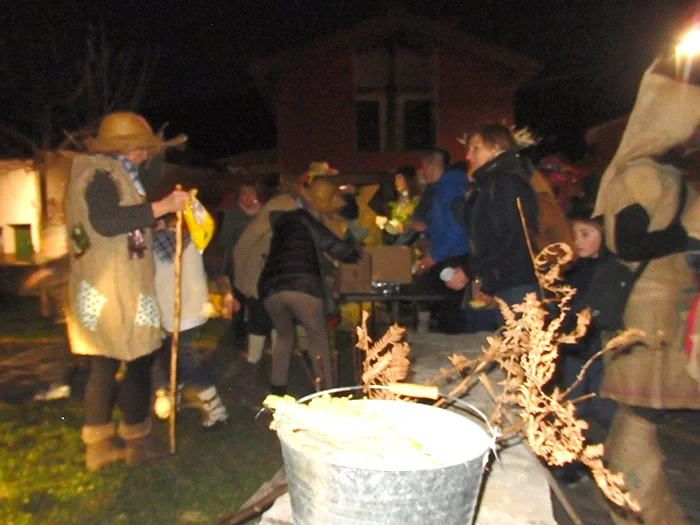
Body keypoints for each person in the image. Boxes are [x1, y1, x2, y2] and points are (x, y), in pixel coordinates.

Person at [592, 59, 700, 525]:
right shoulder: (638, 175)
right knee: (640, 413)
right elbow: (631, 244)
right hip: (648, 311)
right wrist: (685, 235)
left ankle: (630, 502)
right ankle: (643, 508)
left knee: (638, 414)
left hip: (666, 308)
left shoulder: (666, 177)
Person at [64, 111, 189, 471]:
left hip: (111, 286)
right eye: (138, 148)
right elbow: (106, 222)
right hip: (115, 289)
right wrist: (162, 207)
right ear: (117, 147)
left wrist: (150, 223)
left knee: (108, 364)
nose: (143, 154)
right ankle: (130, 444)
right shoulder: (101, 174)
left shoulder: (110, 172)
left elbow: (121, 222)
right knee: (133, 361)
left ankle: (105, 446)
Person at [258, 179, 361, 394]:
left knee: (284, 337)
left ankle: (277, 390)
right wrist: (355, 254)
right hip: (302, 286)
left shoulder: (281, 225)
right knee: (317, 337)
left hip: (270, 288)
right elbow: (334, 246)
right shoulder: (306, 220)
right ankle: (326, 391)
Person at [445, 124, 539, 323]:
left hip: (519, 285)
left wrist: (469, 270)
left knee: (520, 340)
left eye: (475, 148)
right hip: (510, 283)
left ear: (496, 147)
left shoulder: (506, 183)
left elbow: (512, 238)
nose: (468, 156)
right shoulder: (491, 183)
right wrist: (490, 285)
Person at [152, 214, 238, 430]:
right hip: (194, 311)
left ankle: (217, 411)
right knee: (177, 359)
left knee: (187, 361)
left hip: (174, 313)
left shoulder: (155, 243)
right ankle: (173, 401)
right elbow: (214, 270)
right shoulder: (193, 241)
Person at [552, 210, 617, 484]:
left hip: (598, 350)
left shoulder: (611, 269)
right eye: (574, 234)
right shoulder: (574, 270)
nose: (577, 241)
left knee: (604, 407)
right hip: (574, 350)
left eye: (586, 234)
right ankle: (568, 462)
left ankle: (607, 458)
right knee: (572, 406)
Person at [411, 149, 471, 333]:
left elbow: (457, 227)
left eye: (424, 168)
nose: (422, 173)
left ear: (432, 166)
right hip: (451, 255)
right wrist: (427, 228)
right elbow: (446, 224)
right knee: (446, 309)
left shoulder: (448, 189)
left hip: (453, 257)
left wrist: (435, 256)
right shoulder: (446, 187)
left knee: (449, 311)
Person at [219, 180, 261, 343]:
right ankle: (238, 333)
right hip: (238, 264)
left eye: (251, 192)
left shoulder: (263, 213)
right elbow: (225, 239)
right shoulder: (233, 214)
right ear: (239, 196)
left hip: (258, 263)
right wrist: (242, 246)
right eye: (244, 193)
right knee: (239, 298)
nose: (248, 196)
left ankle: (257, 332)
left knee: (257, 299)